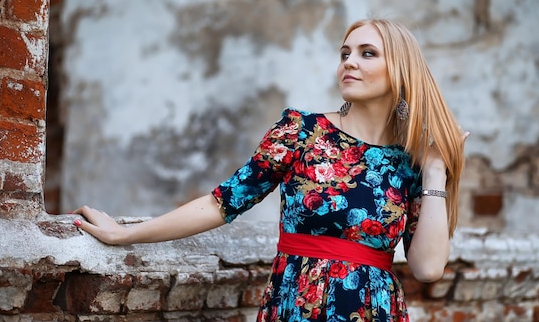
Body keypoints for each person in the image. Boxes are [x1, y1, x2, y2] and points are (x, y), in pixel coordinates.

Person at [73, 18, 469, 322]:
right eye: (345, 53)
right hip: (297, 303)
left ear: (401, 70)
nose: (349, 62)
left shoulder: (409, 164)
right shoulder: (301, 132)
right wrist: (125, 234)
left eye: (367, 53)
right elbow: (222, 203)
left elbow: (428, 267)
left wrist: (435, 174)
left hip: (375, 310)